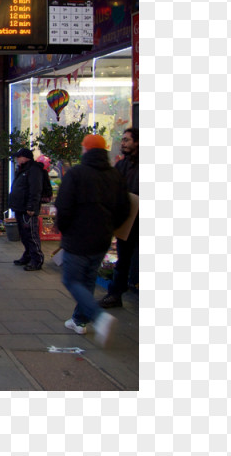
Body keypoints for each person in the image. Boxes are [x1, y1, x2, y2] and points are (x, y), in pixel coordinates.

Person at [55, 134, 130, 347]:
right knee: (88, 279)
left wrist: (64, 229)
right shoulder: (115, 175)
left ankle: (98, 317)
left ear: (86, 150)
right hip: (102, 238)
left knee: (71, 280)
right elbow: (125, 208)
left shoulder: (76, 174)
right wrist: (110, 228)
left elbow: (64, 205)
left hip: (77, 237)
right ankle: (79, 321)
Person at [100, 127, 139, 308]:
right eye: (122, 140)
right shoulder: (122, 165)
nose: (122, 143)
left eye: (127, 140)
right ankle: (116, 294)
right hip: (129, 220)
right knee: (123, 258)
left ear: (137, 143)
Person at [8, 148, 45, 271]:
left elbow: (35, 189)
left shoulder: (33, 170)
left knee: (31, 234)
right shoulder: (23, 169)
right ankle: (28, 255)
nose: (17, 159)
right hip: (20, 207)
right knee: (24, 235)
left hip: (27, 209)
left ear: (25, 158)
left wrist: (31, 206)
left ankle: (37, 259)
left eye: (18, 157)